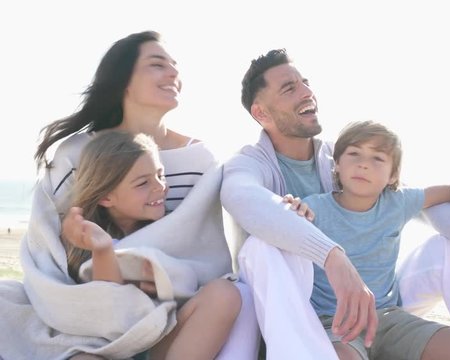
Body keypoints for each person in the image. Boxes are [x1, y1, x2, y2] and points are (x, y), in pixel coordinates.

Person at [221, 48, 450, 359]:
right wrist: (332, 256)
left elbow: (422, 198)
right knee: (261, 248)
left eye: (305, 82)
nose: (306, 92)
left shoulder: (347, 155)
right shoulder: (250, 163)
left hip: (376, 300)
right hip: (301, 312)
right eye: (290, 88)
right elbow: (243, 198)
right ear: (262, 113)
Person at [0, 31, 258, 360]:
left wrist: (164, 277)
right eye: (157, 64)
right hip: (90, 310)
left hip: (171, 312)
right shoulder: (76, 153)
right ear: (123, 80)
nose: (173, 73)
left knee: (227, 293)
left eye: (175, 66)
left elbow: (202, 249)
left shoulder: (201, 160)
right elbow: (48, 249)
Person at [289, 120, 450, 359]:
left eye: (378, 158)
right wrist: (290, 209)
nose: (363, 164)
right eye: (354, 154)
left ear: (393, 175)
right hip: (334, 324)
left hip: (388, 318)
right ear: (337, 165)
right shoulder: (314, 207)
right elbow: (282, 223)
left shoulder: (397, 202)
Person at [63, 130, 242, 359]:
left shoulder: (173, 230)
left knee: (224, 293)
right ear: (106, 197)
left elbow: (195, 271)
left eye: (161, 174)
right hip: (114, 347)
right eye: (142, 183)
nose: (160, 187)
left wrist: (167, 279)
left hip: (161, 341)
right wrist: (103, 249)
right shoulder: (85, 236)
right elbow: (108, 305)